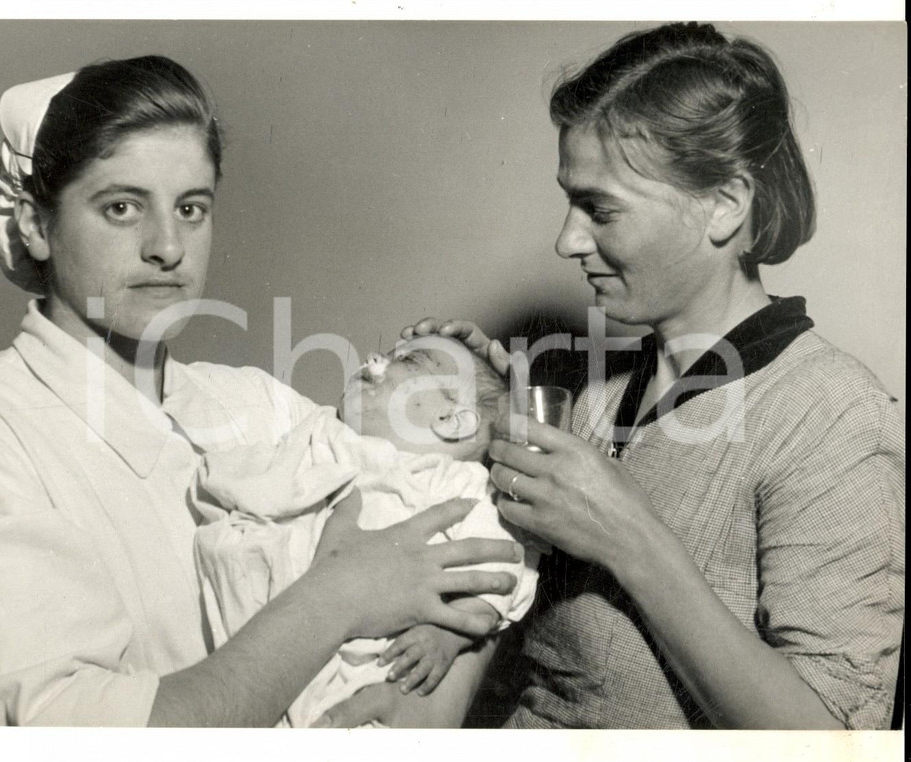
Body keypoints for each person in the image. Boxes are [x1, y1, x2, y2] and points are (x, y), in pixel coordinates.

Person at [320, 22, 904, 729]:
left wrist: (631, 537)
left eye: (600, 208)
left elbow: (834, 742)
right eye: (570, 201)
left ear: (724, 204)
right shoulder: (581, 390)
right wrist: (477, 409)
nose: (565, 240)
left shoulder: (835, 418)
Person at [0, 55, 522, 727]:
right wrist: (338, 598)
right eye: (121, 207)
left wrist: (433, 705)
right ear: (35, 224)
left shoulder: (255, 406)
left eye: (191, 208)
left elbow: (453, 530)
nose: (167, 247)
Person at [193, 336, 541, 727]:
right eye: (386, 353)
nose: (374, 359)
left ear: (450, 420)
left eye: (409, 360)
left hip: (383, 657)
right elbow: (260, 483)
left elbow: (499, 571)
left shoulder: (459, 484)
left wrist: (446, 636)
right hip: (282, 625)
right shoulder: (326, 432)